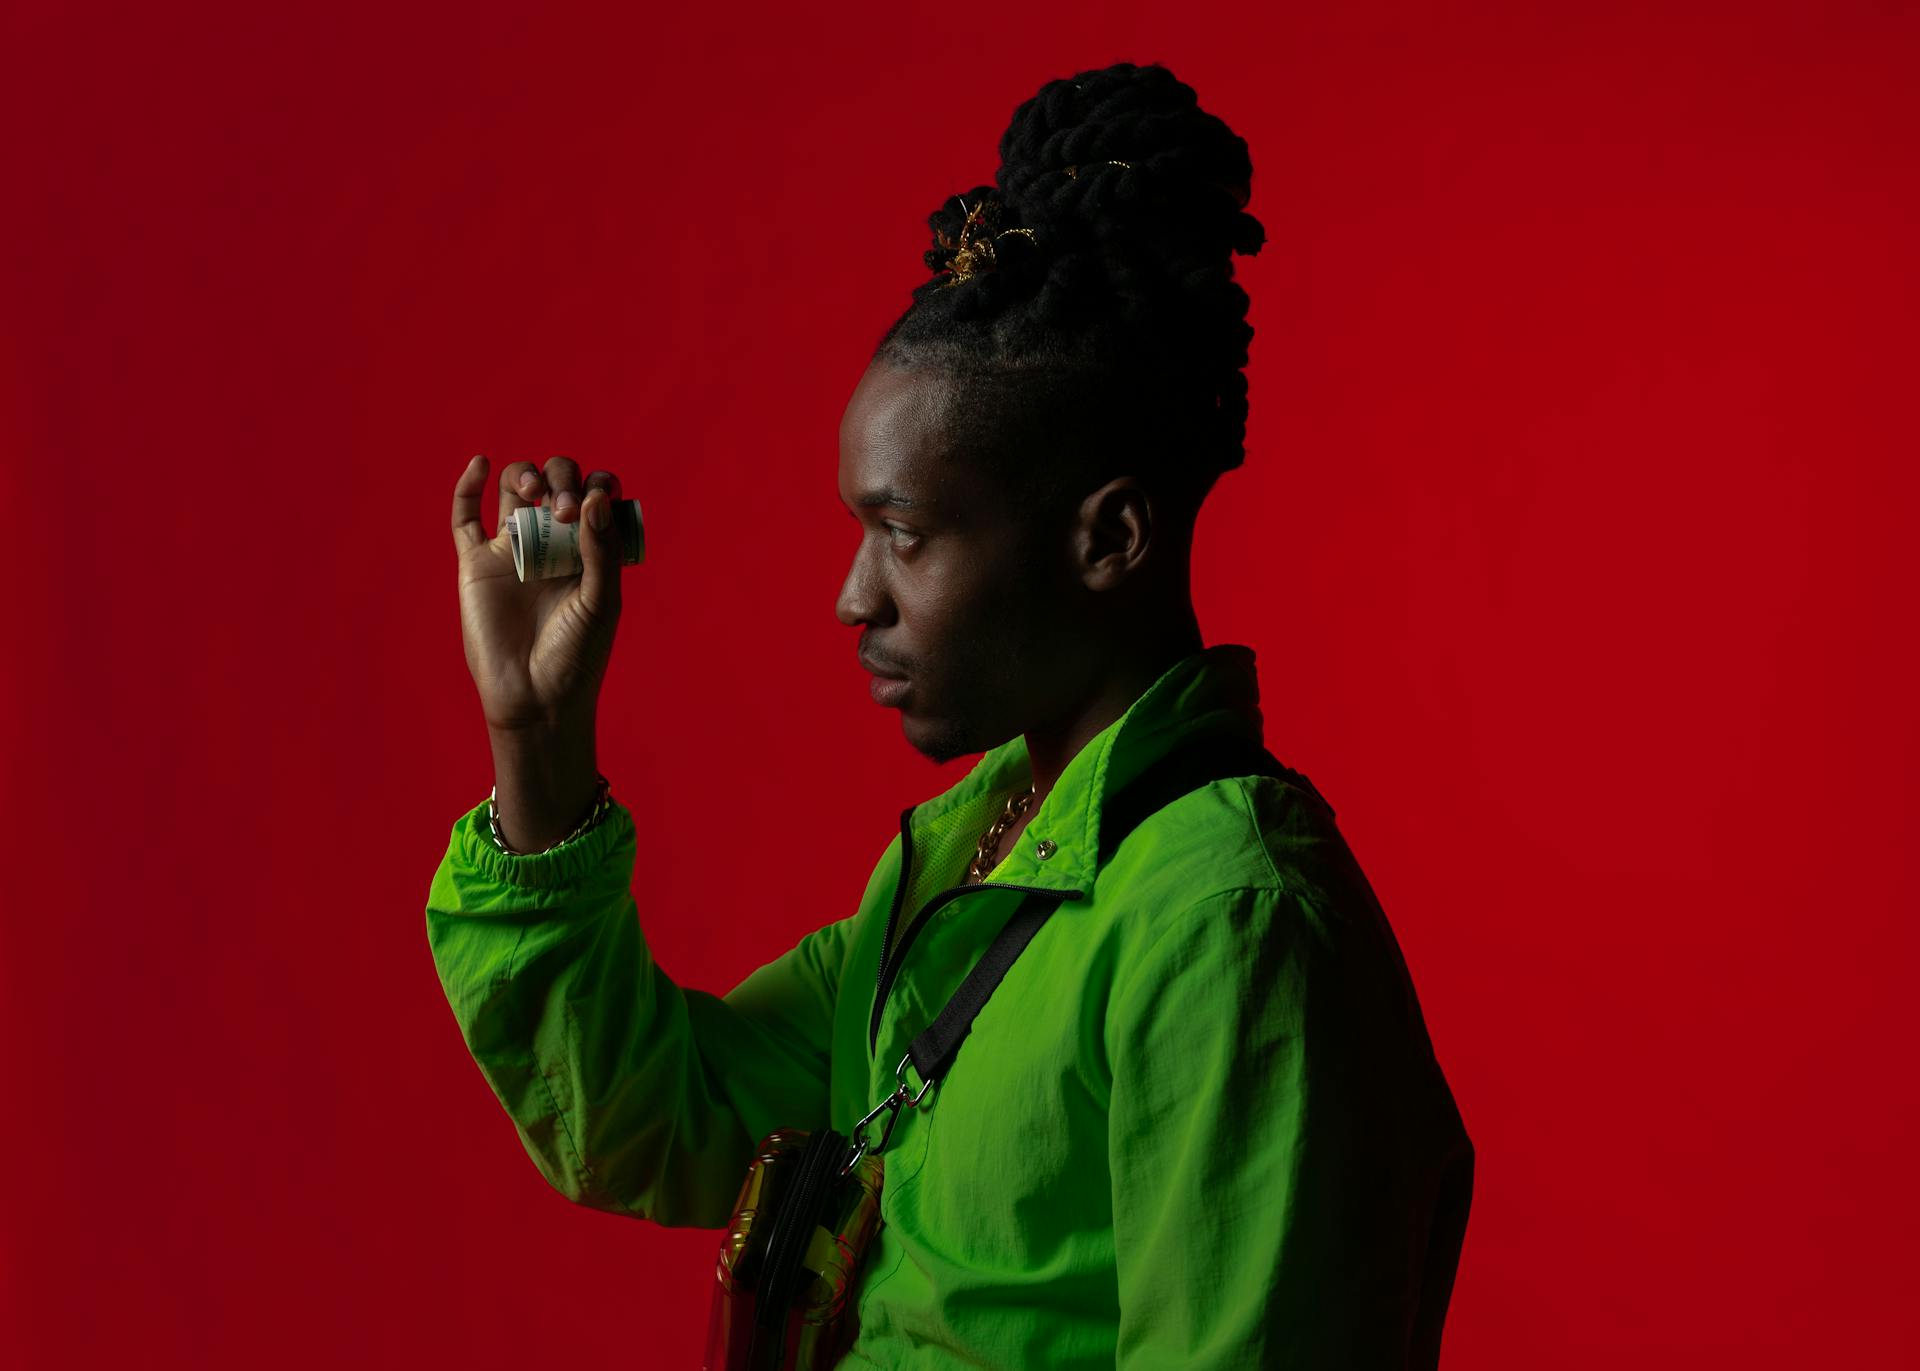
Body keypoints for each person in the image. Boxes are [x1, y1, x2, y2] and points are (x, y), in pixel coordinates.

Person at [428, 60, 1472, 1369]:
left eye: (906, 536)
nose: (852, 599)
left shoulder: (1228, 919)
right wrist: (535, 735)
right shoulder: (962, 864)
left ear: (1112, 538)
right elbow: (656, 1119)